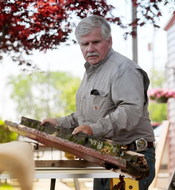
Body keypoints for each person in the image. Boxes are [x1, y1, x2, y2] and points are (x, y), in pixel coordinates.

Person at [41, 15, 156, 190]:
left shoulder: (123, 69)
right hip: (105, 156)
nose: (90, 49)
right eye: (85, 44)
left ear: (109, 41)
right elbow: (86, 117)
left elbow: (130, 112)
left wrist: (93, 130)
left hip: (132, 158)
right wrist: (59, 123)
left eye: (96, 42)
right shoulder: (92, 72)